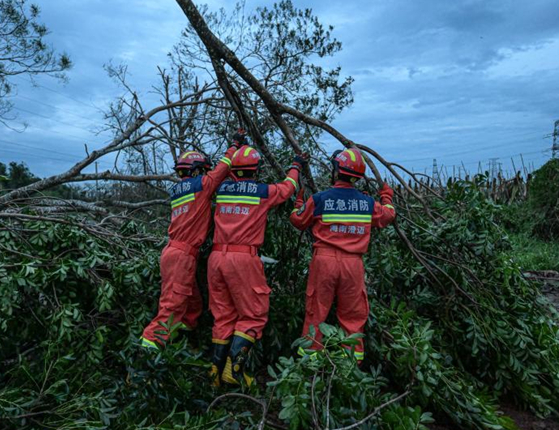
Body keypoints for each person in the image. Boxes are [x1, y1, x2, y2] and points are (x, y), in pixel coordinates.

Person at [208, 145, 307, 386]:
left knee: (223, 316)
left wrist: (233, 149)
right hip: (243, 259)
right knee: (253, 315)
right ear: (257, 169)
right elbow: (288, 188)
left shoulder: (220, 189)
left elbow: (231, 176)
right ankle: (235, 372)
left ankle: (215, 376)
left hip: (216, 259)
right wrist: (296, 165)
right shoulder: (262, 192)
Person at [140, 133, 247, 349]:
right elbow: (223, 168)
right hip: (182, 255)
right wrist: (235, 145)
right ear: (197, 170)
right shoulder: (201, 186)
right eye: (203, 170)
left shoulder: (178, 190)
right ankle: (147, 352)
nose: (206, 173)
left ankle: (184, 345)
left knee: (192, 305)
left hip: (173, 252)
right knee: (172, 306)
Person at [289, 147, 395, 364]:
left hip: (324, 262)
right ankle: (349, 371)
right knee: (353, 317)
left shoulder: (320, 199)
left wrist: (298, 204)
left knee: (315, 314)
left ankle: (309, 371)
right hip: (353, 266)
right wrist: (386, 197)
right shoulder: (366, 203)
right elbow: (387, 216)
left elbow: (298, 221)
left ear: (336, 171)